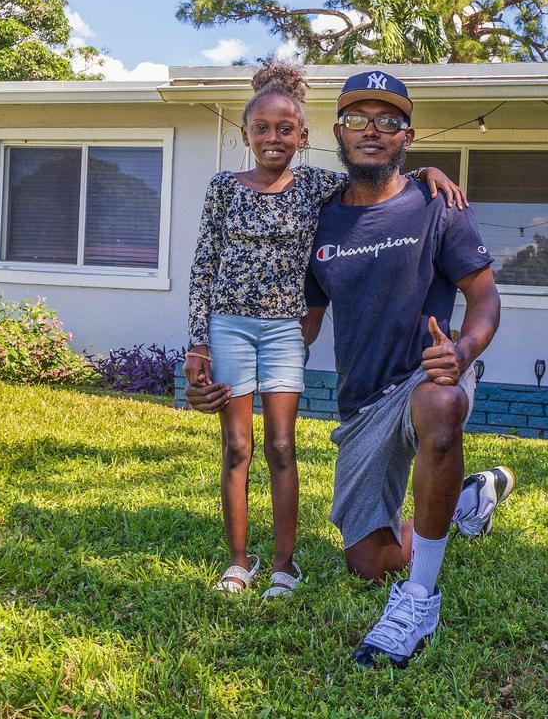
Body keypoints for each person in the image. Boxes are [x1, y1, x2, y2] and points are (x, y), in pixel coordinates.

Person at [188, 69, 514, 667]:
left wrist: (463, 352)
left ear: (406, 135)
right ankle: (464, 503)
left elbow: (485, 298)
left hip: (427, 374)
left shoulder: (435, 203)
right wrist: (224, 367)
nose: (372, 131)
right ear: (336, 131)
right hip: (363, 403)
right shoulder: (322, 213)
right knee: (367, 563)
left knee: (442, 404)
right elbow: (301, 316)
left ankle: (419, 598)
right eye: (359, 119)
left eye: (387, 121)